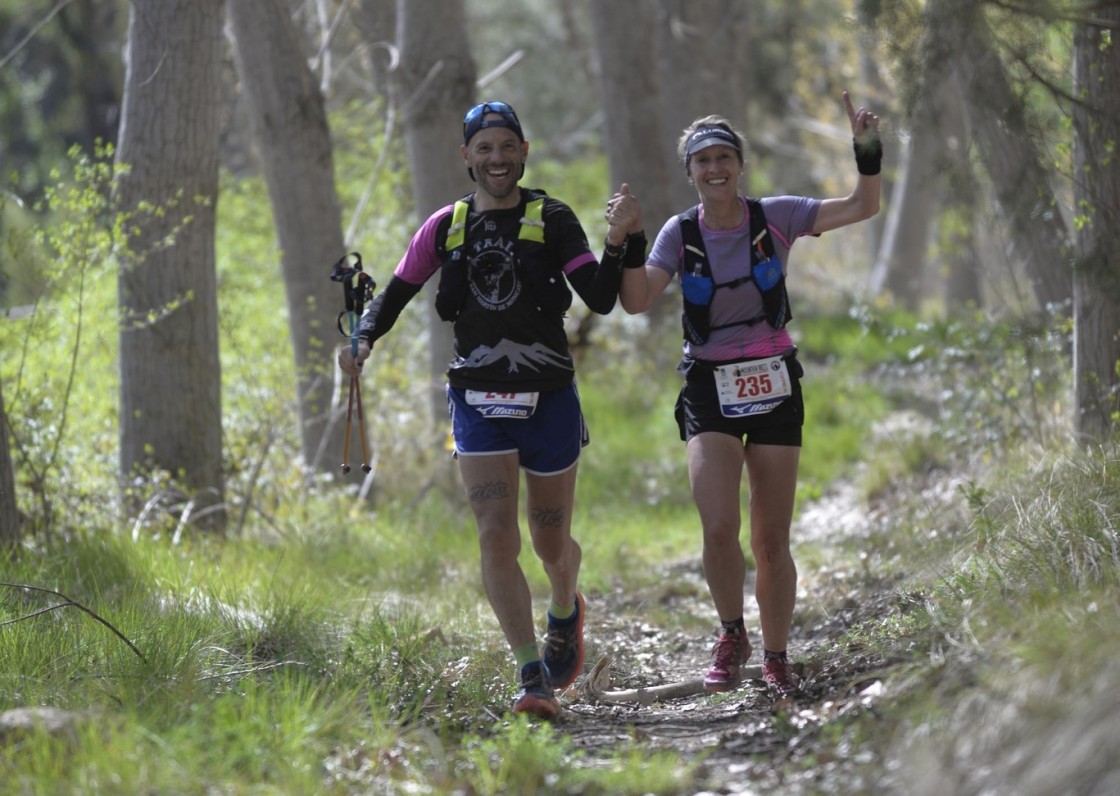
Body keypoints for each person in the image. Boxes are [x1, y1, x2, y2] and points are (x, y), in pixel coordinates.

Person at [338, 100, 647, 720]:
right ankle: (531, 676)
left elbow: (601, 298)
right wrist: (362, 339)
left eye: (507, 147)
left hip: (551, 400)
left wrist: (619, 240)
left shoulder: (552, 218)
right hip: (476, 399)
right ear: (467, 157)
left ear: (524, 152)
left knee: (550, 540)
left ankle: (566, 605)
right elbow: (395, 294)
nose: (497, 158)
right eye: (485, 148)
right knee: (495, 535)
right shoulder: (445, 227)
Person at [611, 91, 881, 698]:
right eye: (702, 161)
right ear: (690, 174)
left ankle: (777, 657)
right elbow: (635, 300)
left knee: (770, 537)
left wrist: (866, 148)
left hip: (774, 378)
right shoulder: (679, 235)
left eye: (723, 157)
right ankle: (732, 633)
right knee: (717, 527)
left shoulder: (777, 215)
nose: (714, 169)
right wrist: (629, 237)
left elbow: (864, 205)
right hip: (709, 384)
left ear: (740, 164)